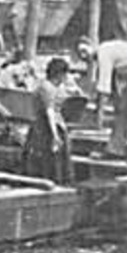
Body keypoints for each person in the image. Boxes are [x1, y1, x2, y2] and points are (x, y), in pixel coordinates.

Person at [21, 57, 75, 185]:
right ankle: (53, 182)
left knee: (57, 158)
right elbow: (49, 112)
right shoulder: (47, 88)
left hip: (52, 126)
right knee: (50, 158)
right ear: (59, 74)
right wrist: (55, 135)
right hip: (46, 128)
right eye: (64, 75)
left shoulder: (52, 87)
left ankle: (59, 181)